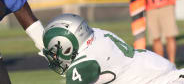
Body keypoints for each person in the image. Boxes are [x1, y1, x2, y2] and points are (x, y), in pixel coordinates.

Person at [42, 13, 184, 84]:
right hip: (162, 73)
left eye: (55, 52)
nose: (55, 57)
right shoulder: (95, 34)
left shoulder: (86, 61)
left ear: (67, 47)